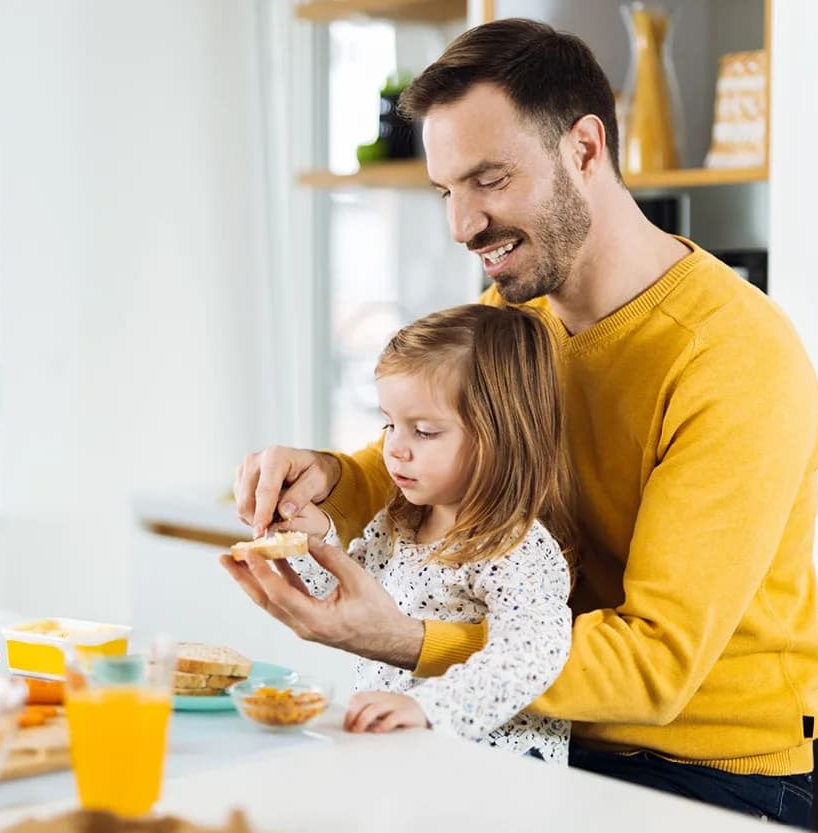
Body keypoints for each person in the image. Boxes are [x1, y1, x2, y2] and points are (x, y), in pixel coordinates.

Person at [226, 18, 818, 826]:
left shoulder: (734, 358)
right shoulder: (516, 315)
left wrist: (412, 641)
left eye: (489, 180)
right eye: (448, 190)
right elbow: (442, 461)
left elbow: (655, 666)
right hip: (529, 728)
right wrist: (333, 480)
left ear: (584, 149)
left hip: (699, 772)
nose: (462, 224)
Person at [225, 304, 576, 762]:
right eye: (389, 424)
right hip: (409, 757)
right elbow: (345, 595)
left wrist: (427, 708)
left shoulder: (516, 547)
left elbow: (532, 656)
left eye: (424, 431)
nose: (394, 448)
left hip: (492, 773)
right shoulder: (399, 523)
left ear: (502, 437)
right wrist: (312, 542)